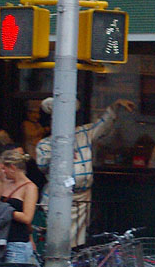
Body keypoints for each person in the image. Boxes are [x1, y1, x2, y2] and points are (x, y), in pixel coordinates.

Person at [34, 97, 134, 247]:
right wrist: (60, 153)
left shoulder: (83, 133)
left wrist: (115, 106)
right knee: (56, 240)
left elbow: (103, 126)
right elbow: (42, 165)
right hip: (59, 198)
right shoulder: (45, 144)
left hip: (82, 198)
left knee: (78, 241)